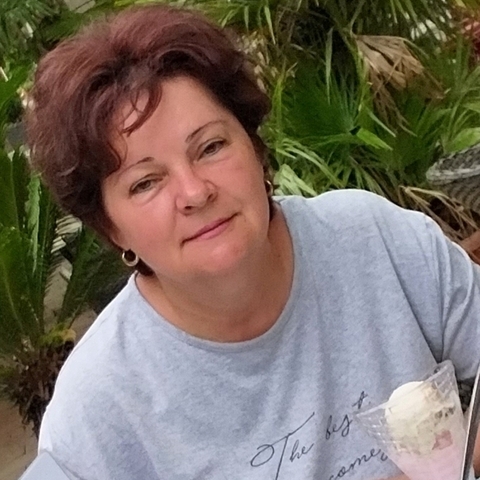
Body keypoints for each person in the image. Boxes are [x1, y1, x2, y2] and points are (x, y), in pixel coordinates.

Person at [26, 4, 480, 480]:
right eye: (145, 183)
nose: (195, 192)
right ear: (110, 227)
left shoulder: (373, 239)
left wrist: (451, 463)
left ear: (256, 147)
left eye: (211, 147)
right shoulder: (97, 407)